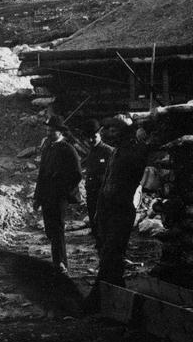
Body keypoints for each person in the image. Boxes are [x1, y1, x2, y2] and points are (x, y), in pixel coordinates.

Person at [90, 117, 151, 304]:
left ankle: (97, 298)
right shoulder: (116, 152)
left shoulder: (135, 151)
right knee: (110, 254)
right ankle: (118, 296)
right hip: (107, 208)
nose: (108, 133)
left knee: (111, 253)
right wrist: (99, 210)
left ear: (124, 132)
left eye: (113, 130)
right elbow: (106, 183)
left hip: (121, 209)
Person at [33, 115, 82, 274]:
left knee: (57, 230)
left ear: (60, 132)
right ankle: (57, 261)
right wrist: (37, 197)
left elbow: (77, 174)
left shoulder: (68, 149)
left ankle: (61, 264)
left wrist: (65, 192)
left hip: (59, 197)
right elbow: (42, 174)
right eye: (47, 130)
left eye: (52, 130)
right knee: (50, 230)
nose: (48, 133)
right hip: (47, 197)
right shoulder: (48, 148)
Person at [82, 119, 114, 237]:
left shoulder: (108, 151)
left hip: (104, 193)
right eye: (88, 138)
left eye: (94, 137)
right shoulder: (91, 152)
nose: (91, 140)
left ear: (99, 134)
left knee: (105, 223)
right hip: (92, 192)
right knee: (94, 222)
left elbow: (112, 175)